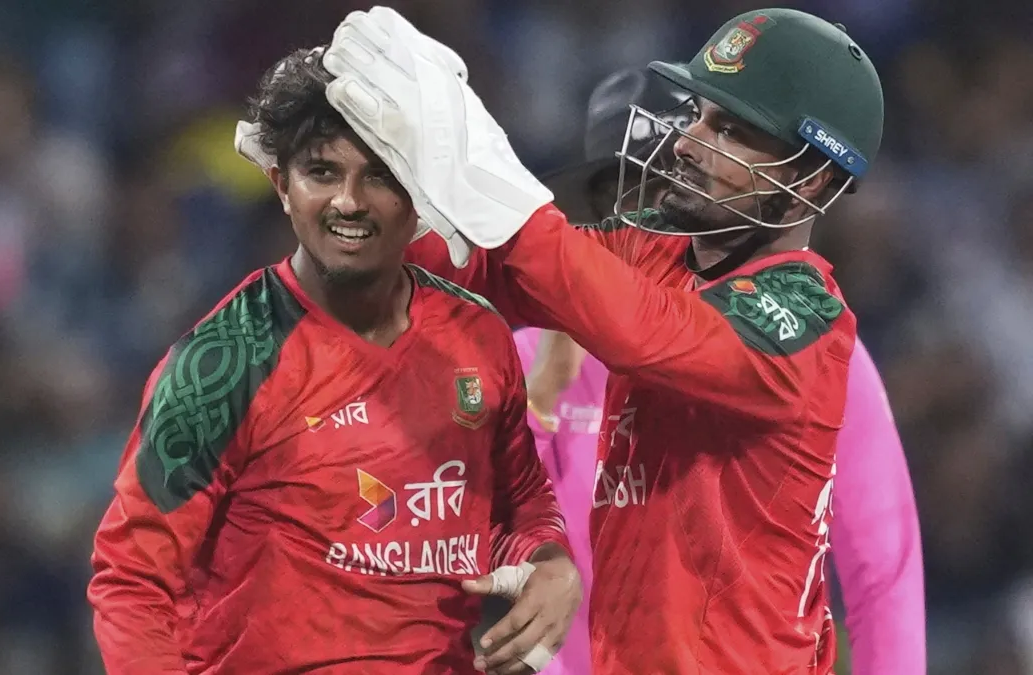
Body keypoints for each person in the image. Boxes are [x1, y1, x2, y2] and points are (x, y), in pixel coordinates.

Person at [318, 6, 890, 673]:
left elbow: (644, 329)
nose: (687, 142)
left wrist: (488, 177)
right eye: (699, 114)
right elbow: (483, 269)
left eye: (731, 130)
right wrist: (354, 193)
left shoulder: (805, 319)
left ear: (809, 179)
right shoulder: (651, 247)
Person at [88, 45, 582, 675]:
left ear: (421, 192)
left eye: (380, 175)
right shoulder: (224, 363)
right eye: (321, 172)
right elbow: (132, 579)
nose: (349, 201)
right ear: (281, 186)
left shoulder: (478, 335)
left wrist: (549, 560)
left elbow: (518, 503)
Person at [518, 67, 925, 675]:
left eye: (674, 189)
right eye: (631, 195)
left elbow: (883, 574)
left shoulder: (807, 347)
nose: (656, 217)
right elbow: (481, 534)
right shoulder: (527, 354)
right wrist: (541, 397)